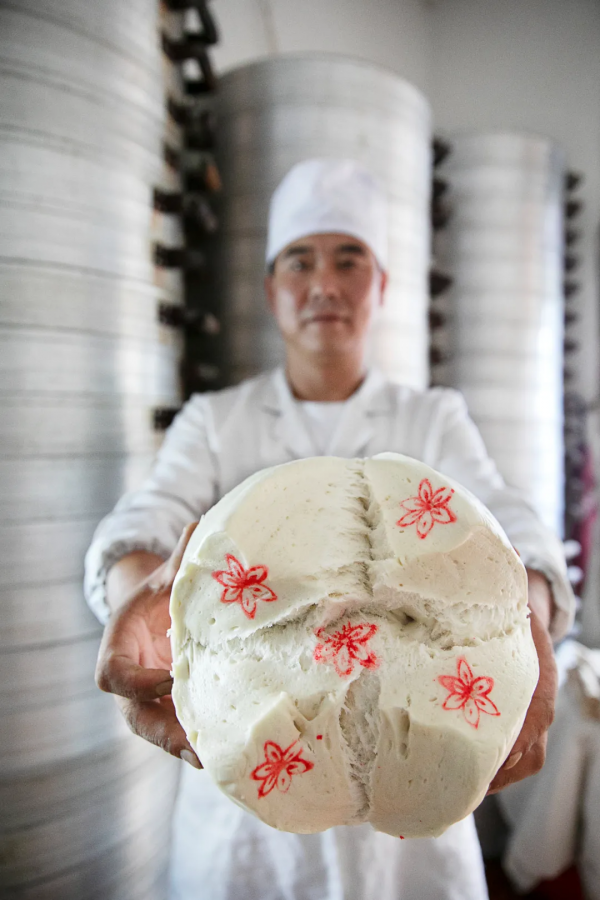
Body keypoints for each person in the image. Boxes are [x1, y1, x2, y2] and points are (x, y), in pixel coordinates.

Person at [86, 158, 574, 900]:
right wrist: (140, 594)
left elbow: (511, 520)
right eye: (300, 261)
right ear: (271, 290)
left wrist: (530, 613)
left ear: (380, 288)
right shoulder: (216, 421)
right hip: (247, 790)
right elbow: (143, 522)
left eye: (351, 260)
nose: (324, 283)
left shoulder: (430, 418)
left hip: (418, 796)